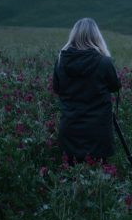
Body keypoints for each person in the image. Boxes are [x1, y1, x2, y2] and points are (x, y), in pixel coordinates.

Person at [52, 17, 122, 164]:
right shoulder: (104, 62)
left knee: (71, 176)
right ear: (96, 37)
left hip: (70, 127)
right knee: (98, 178)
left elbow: (57, 88)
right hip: (98, 130)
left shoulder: (61, 61)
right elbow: (115, 86)